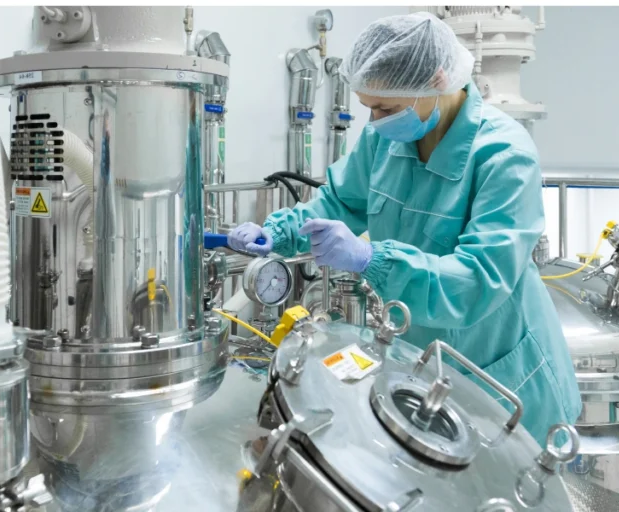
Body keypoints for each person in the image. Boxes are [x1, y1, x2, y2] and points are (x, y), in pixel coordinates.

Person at [228, 13, 581, 445]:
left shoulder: (505, 155)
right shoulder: (387, 137)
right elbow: (340, 201)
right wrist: (279, 233)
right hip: (422, 362)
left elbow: (478, 280)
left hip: (500, 374)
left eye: (386, 108)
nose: (374, 121)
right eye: (369, 108)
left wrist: (371, 260)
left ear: (436, 81)